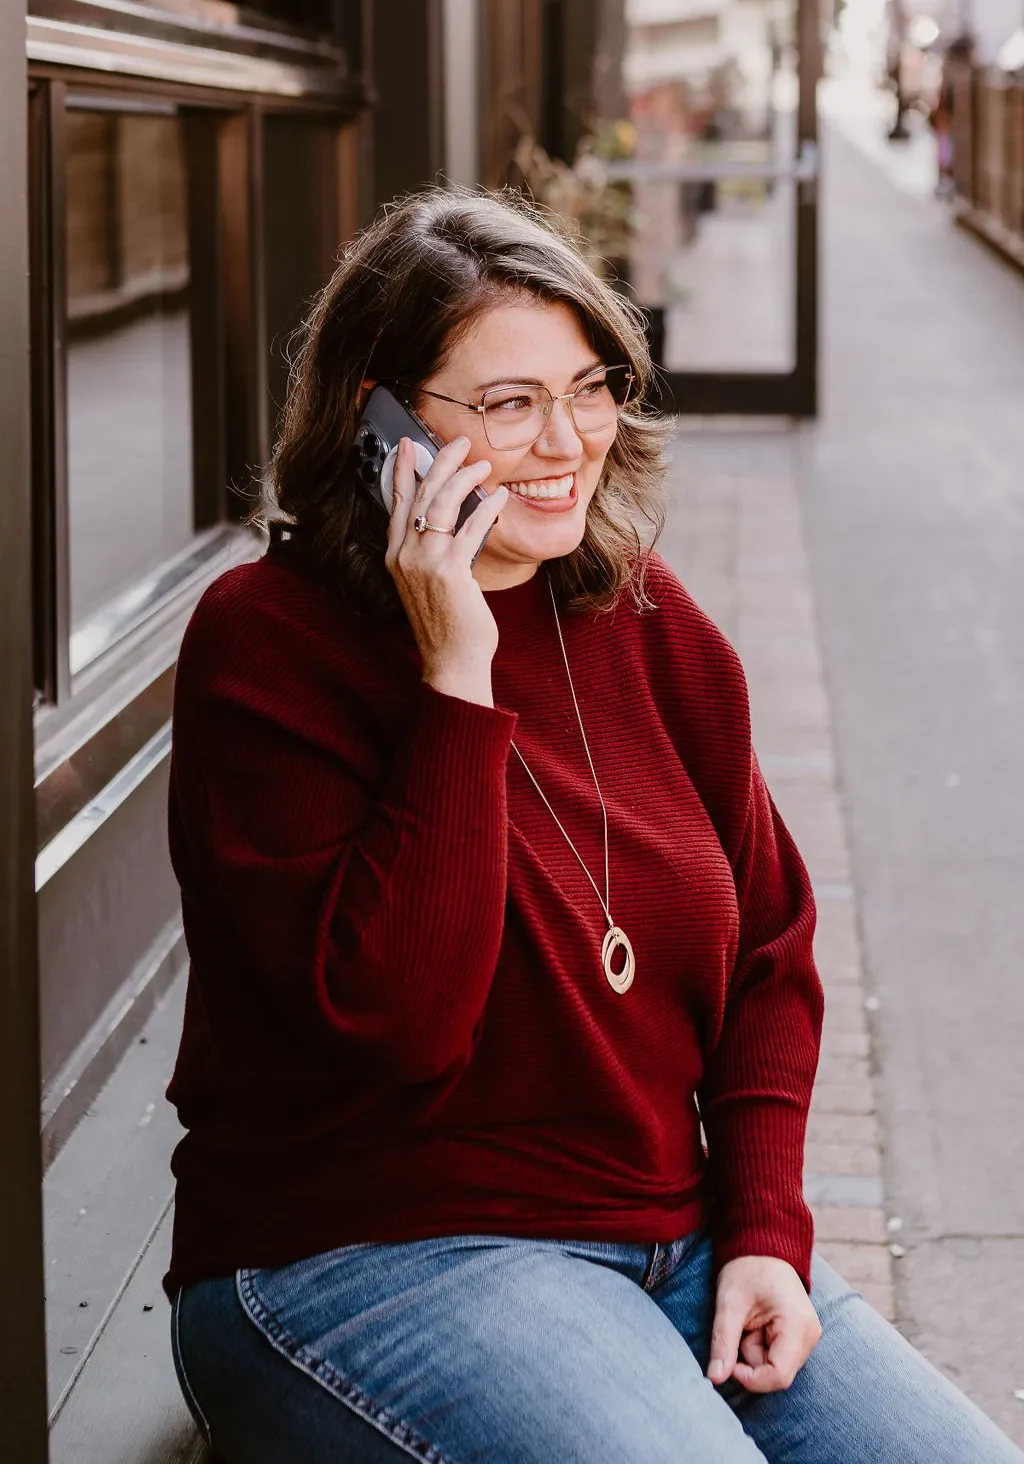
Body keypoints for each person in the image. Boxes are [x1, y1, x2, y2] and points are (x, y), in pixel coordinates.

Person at [164, 187, 1024, 1464]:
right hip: (365, 1256)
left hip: (666, 1242)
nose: (568, 439)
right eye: (509, 404)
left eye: (590, 385)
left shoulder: (642, 620)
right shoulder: (264, 645)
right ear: (379, 423)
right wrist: (455, 672)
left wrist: (764, 1233)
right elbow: (394, 1023)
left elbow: (770, 949)